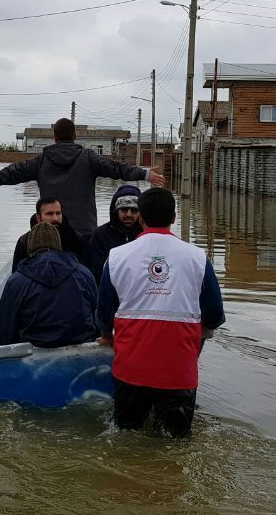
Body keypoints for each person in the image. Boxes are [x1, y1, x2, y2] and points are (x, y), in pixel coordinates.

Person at [97, 187, 225, 437]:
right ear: (174, 218)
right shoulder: (198, 258)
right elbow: (215, 315)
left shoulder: (116, 257)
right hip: (179, 373)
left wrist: (107, 335)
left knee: (125, 437)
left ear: (141, 218)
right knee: (175, 445)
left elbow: (104, 313)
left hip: (130, 370)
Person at [0, 118, 165, 243]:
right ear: (74, 136)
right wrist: (145, 174)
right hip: (86, 233)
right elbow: (117, 168)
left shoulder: (41, 161)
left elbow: (13, 172)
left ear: (54, 137)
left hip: (51, 234)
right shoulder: (89, 157)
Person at [0, 222, 100, 348]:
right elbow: (98, 314)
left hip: (34, 350)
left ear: (30, 246)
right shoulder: (84, 274)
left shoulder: (15, 281)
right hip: (82, 347)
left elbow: (5, 332)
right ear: (58, 244)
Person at [83, 184, 143, 281]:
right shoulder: (100, 235)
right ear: (115, 211)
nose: (129, 214)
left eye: (134, 210)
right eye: (124, 210)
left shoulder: (146, 236)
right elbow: (95, 270)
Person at [12, 196, 84, 273]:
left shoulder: (76, 239)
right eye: (49, 214)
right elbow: (17, 271)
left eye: (58, 213)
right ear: (38, 218)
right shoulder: (25, 241)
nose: (55, 218)